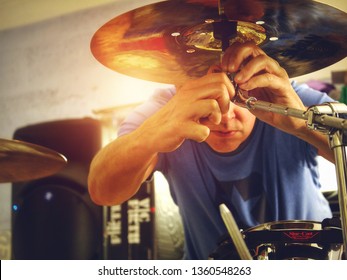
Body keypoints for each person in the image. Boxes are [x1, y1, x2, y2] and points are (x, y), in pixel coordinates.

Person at [88, 42, 335, 259]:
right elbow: (102, 190)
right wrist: (150, 135)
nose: (224, 116)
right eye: (207, 96)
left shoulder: (284, 96)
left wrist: (303, 125)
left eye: (239, 95)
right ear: (178, 88)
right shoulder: (166, 109)